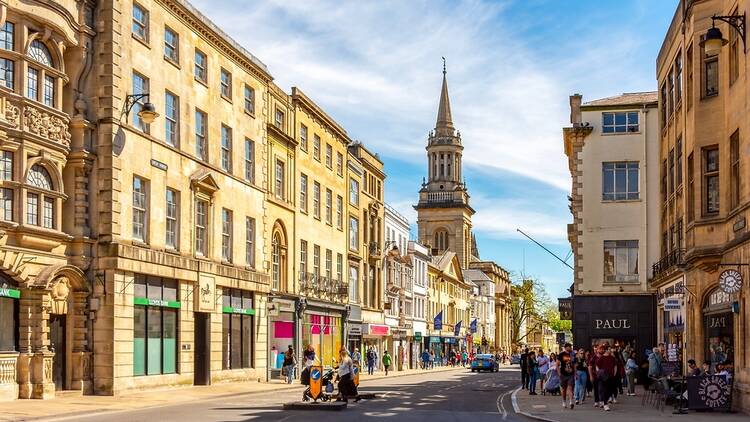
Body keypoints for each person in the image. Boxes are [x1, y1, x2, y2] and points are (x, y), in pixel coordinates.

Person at [595, 345, 617, 411]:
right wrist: (599, 372)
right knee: (605, 390)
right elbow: (597, 365)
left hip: (611, 376)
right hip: (603, 377)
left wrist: (614, 374)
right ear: (606, 350)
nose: (611, 350)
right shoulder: (602, 357)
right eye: (610, 349)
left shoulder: (612, 358)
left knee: (609, 390)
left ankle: (604, 401)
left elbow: (615, 366)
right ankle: (605, 404)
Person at [558, 344, 575, 409]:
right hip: (563, 374)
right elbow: (557, 364)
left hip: (571, 374)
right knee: (564, 389)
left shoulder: (572, 355)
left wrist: (575, 373)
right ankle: (564, 401)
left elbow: (574, 365)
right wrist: (559, 373)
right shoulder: (561, 354)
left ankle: (571, 402)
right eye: (569, 347)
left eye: (571, 347)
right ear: (566, 348)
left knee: (570, 388)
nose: (570, 348)